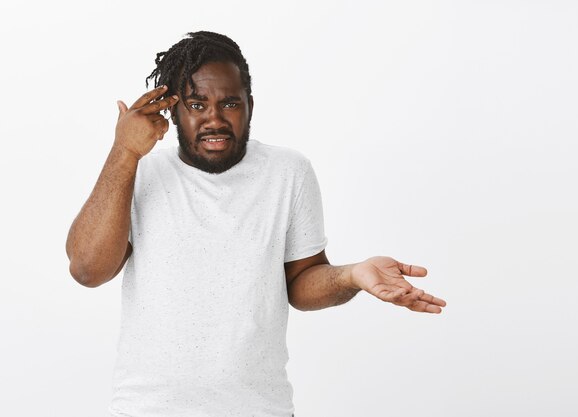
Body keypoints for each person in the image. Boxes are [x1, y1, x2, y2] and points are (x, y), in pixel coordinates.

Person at [65, 31, 447, 417]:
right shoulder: (138, 172)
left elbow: (301, 283)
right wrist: (123, 151)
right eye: (197, 104)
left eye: (229, 103)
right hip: (146, 409)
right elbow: (87, 269)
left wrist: (352, 276)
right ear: (173, 111)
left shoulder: (288, 172)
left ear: (249, 104)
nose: (215, 119)